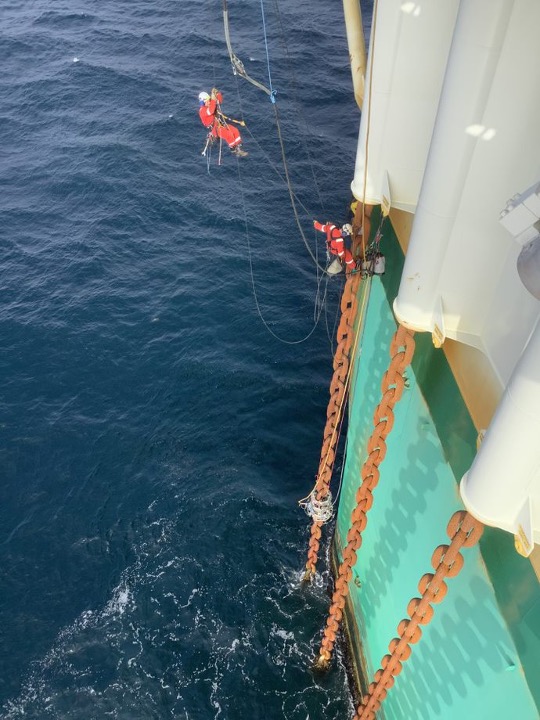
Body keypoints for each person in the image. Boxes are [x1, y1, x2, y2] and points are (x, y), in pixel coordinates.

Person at [198, 89, 248, 157]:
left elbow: (219, 101)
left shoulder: (210, 104)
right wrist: (213, 100)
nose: (209, 101)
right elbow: (211, 111)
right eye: (208, 100)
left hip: (219, 124)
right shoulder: (202, 111)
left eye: (209, 100)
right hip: (215, 129)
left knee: (235, 131)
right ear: (203, 102)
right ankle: (234, 149)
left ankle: (238, 147)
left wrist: (218, 94)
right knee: (229, 135)